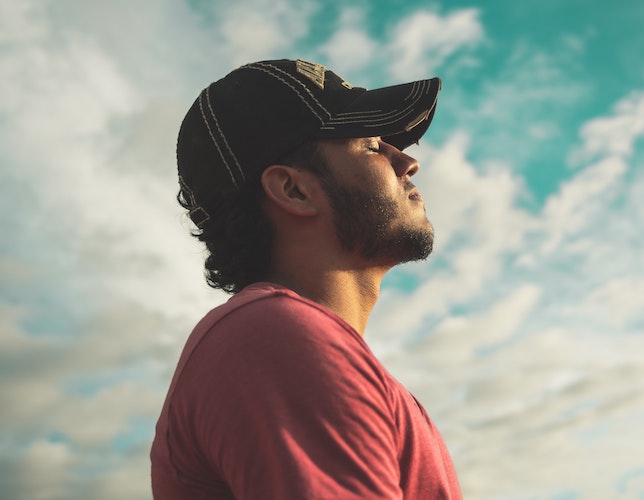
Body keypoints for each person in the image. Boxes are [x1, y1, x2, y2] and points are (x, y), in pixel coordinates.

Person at [150, 59, 461, 499]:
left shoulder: (290, 342)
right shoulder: (276, 337)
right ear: (294, 191)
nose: (407, 161)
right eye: (372, 145)